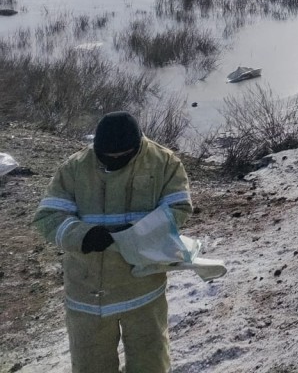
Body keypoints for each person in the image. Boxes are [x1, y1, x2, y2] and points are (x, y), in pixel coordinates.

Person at [34, 111, 192, 373]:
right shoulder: (75, 167)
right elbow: (48, 217)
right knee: (90, 364)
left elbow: (179, 207)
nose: (114, 162)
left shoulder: (163, 162)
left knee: (150, 361)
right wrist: (83, 235)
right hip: (87, 291)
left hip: (143, 288)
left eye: (122, 157)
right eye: (107, 157)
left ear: (137, 147)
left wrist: (141, 231)